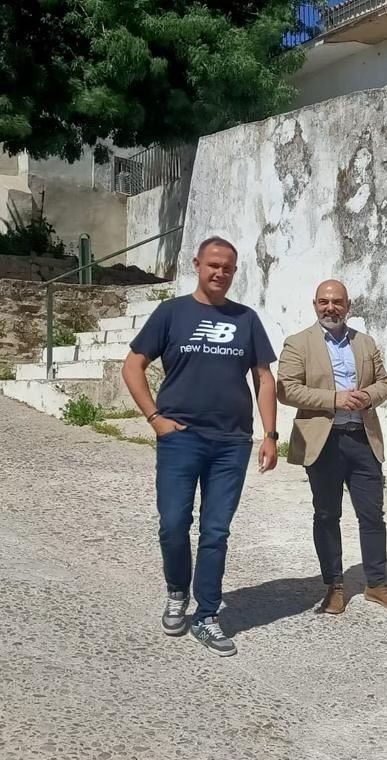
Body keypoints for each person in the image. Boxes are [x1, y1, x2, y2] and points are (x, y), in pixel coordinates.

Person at [122, 236, 279, 657]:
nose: (220, 273)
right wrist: (155, 419)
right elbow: (133, 365)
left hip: (231, 444)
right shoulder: (172, 313)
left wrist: (270, 434)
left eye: (227, 267)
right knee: (173, 523)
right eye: (213, 265)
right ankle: (177, 590)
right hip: (180, 439)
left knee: (215, 531)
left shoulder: (246, 319)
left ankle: (207, 614)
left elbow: (264, 378)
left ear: (234, 271)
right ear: (197, 264)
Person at [276, 279, 387, 615]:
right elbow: (286, 390)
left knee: (372, 516)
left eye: (337, 302)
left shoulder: (364, 343)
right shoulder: (298, 343)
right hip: (324, 441)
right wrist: (334, 399)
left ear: (348, 306)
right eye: (324, 302)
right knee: (326, 514)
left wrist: (368, 396)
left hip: (362, 438)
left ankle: (377, 583)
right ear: (315, 304)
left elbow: (385, 383)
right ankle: (334, 585)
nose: (330, 308)